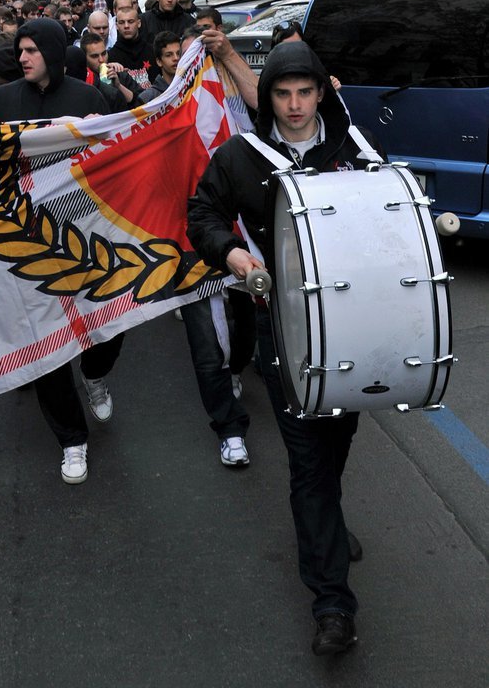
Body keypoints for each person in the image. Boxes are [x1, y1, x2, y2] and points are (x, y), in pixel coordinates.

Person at [188, 41, 378, 658]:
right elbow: (202, 213)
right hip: (282, 326)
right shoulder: (244, 156)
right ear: (266, 98)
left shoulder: (356, 150)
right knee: (307, 461)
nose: (295, 107)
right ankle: (332, 605)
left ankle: (328, 520)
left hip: (348, 324)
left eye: (305, 92)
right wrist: (232, 253)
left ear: (323, 92)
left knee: (337, 438)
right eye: (282, 94)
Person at [0, 17, 120, 486]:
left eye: (33, 50)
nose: (22, 57)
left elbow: (121, 144)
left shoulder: (86, 97)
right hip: (26, 239)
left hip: (85, 233)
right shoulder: (2, 100)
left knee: (111, 322)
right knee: (48, 345)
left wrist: (101, 131)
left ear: (55, 54)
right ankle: (72, 441)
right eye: (20, 50)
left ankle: (96, 375)